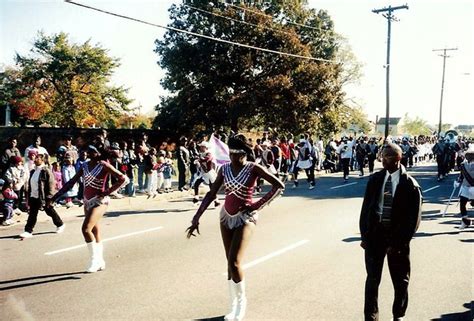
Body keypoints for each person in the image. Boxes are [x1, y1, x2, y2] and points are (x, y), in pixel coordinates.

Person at [186, 134, 284, 321]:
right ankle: (233, 304)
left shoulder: (254, 168)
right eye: (230, 153)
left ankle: (241, 303)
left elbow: (278, 186)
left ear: (245, 153)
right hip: (226, 217)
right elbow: (211, 193)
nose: (233, 158)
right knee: (229, 263)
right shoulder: (224, 169)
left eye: (237, 154)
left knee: (235, 262)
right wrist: (196, 217)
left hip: (246, 217)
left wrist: (256, 206)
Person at [359, 143, 422, 321]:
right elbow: (366, 210)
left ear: (398, 159)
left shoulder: (410, 185)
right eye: (382, 156)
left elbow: (413, 220)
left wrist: (399, 243)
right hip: (375, 236)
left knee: (400, 280)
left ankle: (399, 314)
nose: (383, 159)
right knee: (372, 279)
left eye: (388, 157)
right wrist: (365, 236)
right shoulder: (376, 179)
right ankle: (371, 316)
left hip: (397, 237)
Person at [52, 145, 128, 272]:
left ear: (99, 153)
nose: (88, 153)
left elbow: (123, 179)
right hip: (87, 201)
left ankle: (94, 260)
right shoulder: (84, 165)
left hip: (100, 201)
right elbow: (71, 182)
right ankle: (101, 261)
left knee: (85, 229)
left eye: (92, 152)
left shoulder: (104, 165)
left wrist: (107, 192)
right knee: (94, 231)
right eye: (88, 151)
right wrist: (55, 197)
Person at [19, 152, 65, 239]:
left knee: (49, 211)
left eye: (37, 158)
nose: (35, 159)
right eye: (35, 158)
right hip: (34, 196)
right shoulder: (33, 171)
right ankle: (28, 231)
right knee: (32, 214)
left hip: (43, 197)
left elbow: (51, 184)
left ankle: (60, 224)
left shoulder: (46, 171)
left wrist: (49, 197)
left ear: (42, 160)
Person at [192, 141, 220, 207]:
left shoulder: (209, 154)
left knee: (212, 188)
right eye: (200, 146)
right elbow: (199, 161)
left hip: (209, 173)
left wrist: (199, 159)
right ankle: (196, 198)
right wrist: (196, 160)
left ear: (205, 147)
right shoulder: (201, 154)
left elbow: (207, 159)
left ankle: (216, 201)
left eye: (202, 147)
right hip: (203, 173)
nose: (201, 148)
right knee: (196, 183)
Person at [454, 145, 474, 229]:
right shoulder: (463, 165)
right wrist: (458, 182)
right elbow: (462, 176)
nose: (468, 157)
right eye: (467, 155)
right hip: (466, 187)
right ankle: (465, 221)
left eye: (470, 155)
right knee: (462, 203)